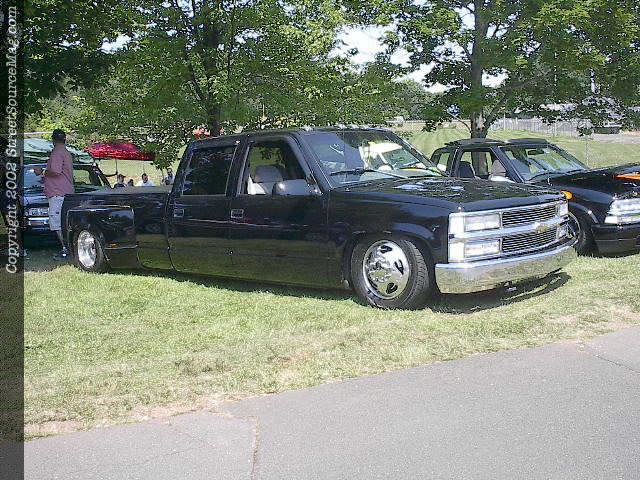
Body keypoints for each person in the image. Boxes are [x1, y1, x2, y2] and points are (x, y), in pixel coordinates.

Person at [33, 129, 73, 259]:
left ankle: (66, 250)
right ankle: (69, 249)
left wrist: (42, 172)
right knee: (65, 223)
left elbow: (56, 171)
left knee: (58, 223)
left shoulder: (56, 152)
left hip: (57, 194)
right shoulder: (66, 152)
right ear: (64, 139)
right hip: (65, 192)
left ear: (53, 140)